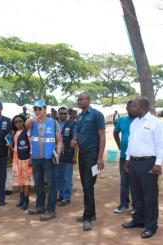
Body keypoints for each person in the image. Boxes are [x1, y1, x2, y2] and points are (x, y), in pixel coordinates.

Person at [122, 96, 163, 239]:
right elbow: (130, 143)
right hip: (133, 163)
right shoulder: (134, 123)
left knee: (149, 196)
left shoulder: (155, 123)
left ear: (143, 107)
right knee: (136, 194)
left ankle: (151, 226)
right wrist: (127, 159)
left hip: (148, 163)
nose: (131, 109)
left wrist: (158, 163)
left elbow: (161, 145)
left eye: (134, 106)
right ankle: (138, 220)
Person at [71, 92, 105, 231]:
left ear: (89, 100)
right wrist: (74, 140)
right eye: (78, 99)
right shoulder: (80, 116)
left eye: (82, 99)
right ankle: (92, 214)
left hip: (93, 155)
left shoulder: (97, 115)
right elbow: (78, 132)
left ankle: (87, 217)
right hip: (82, 155)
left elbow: (102, 136)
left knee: (88, 186)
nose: (80, 101)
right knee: (86, 185)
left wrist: (100, 157)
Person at [25, 100, 62, 221]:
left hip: (49, 158)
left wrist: (58, 154)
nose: (37, 111)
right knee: (38, 183)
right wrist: (32, 119)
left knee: (51, 184)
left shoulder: (53, 122)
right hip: (36, 157)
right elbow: (25, 125)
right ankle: (40, 206)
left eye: (40, 108)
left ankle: (51, 210)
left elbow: (59, 141)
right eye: (35, 108)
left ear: (45, 109)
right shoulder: (33, 122)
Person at [113, 100, 135, 213]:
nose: (132, 109)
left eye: (134, 107)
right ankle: (124, 204)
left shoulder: (139, 121)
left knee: (136, 182)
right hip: (123, 157)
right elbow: (115, 132)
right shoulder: (122, 120)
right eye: (130, 107)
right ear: (126, 108)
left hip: (136, 157)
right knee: (124, 181)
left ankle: (136, 206)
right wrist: (119, 145)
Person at [12, 114, 34, 210]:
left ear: (24, 121)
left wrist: (31, 157)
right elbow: (15, 147)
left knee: (26, 181)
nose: (18, 123)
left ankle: (26, 200)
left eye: (20, 121)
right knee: (20, 180)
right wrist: (10, 146)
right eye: (16, 121)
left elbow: (32, 145)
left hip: (25, 159)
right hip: (17, 160)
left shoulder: (27, 132)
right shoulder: (15, 132)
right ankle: (21, 199)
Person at [56, 107, 77, 206]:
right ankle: (61, 195)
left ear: (67, 114)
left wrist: (75, 156)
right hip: (56, 155)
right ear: (58, 114)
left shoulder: (72, 124)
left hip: (68, 154)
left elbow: (75, 141)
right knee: (58, 176)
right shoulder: (55, 125)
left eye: (64, 113)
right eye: (61, 113)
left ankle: (66, 197)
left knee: (67, 177)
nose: (63, 115)